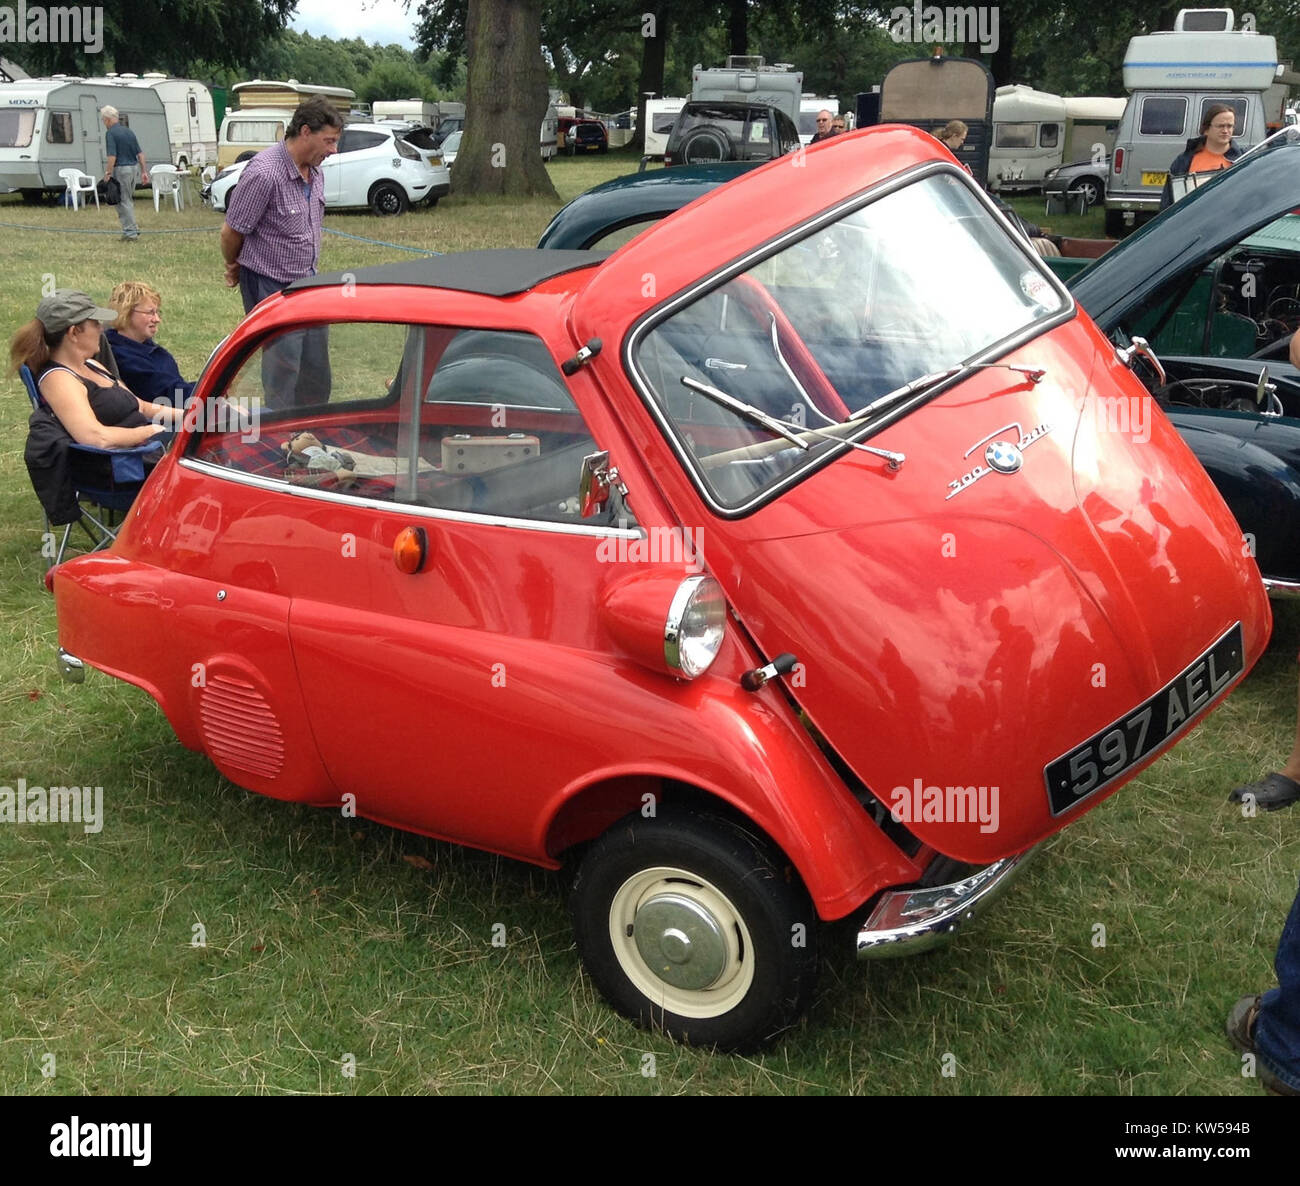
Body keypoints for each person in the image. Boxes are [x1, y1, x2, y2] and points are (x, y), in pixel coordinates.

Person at [12, 290, 181, 526]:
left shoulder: (91, 364)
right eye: (95, 323)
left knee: (224, 430)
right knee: (214, 458)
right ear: (74, 332)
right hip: (123, 466)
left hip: (149, 450)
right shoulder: (59, 379)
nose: (102, 329)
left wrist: (196, 415)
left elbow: (140, 406)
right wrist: (149, 433)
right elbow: (95, 437)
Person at [220, 96, 341, 407]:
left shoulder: (316, 172)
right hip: (270, 286)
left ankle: (310, 439)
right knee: (283, 373)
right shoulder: (264, 173)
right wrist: (233, 265)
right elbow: (231, 231)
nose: (333, 150)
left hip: (309, 284)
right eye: (328, 141)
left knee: (316, 373)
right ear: (304, 132)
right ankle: (279, 442)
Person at [105, 281, 196, 408]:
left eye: (157, 312)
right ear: (126, 313)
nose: (157, 319)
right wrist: (212, 388)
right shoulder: (122, 357)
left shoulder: (148, 349)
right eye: (150, 313)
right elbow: (169, 395)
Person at [1159, 104, 1241, 210]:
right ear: (1206, 129)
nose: (1225, 131)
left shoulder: (1243, 159)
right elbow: (1168, 204)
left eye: (1229, 126)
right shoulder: (1184, 161)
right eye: (1220, 126)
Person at [100, 105, 149, 243]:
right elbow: (140, 154)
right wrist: (144, 171)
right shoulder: (129, 131)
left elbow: (112, 156)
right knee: (128, 199)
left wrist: (108, 173)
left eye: (103, 120)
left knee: (122, 201)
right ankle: (133, 227)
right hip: (134, 168)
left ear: (108, 119)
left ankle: (130, 233)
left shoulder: (110, 133)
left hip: (121, 169)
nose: (104, 123)